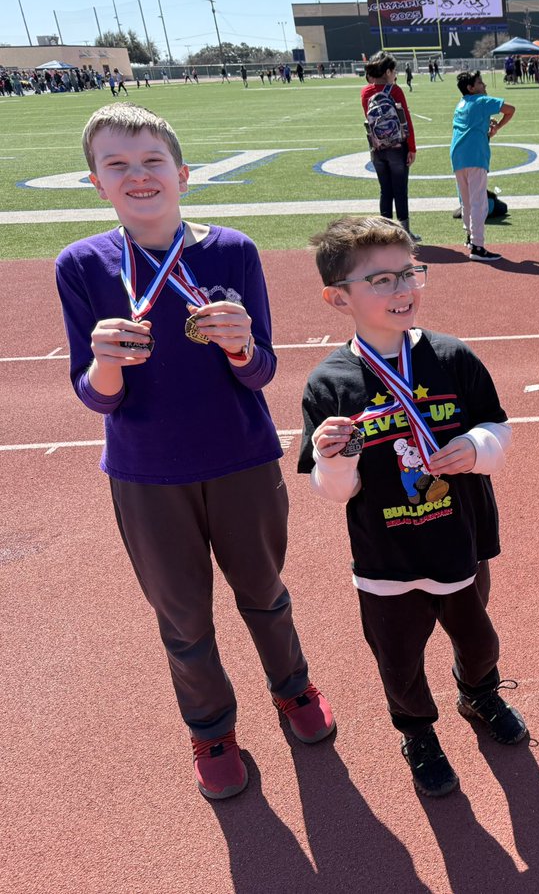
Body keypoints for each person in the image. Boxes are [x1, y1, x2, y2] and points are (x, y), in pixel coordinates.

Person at [54, 103, 335, 800]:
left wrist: (241, 346)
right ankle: (211, 729)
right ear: (95, 183)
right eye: (117, 164)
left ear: (182, 175)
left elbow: (262, 371)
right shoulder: (81, 265)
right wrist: (107, 364)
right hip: (146, 474)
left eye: (153, 161)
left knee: (264, 593)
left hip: (242, 459)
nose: (138, 175)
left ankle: (293, 688)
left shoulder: (233, 250)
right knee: (182, 618)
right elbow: (95, 398)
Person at [300, 216, 526, 798]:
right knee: (398, 661)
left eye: (409, 273)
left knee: (479, 642)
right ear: (339, 298)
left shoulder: (453, 358)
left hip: (459, 542)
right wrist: (333, 459)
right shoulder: (329, 383)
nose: (402, 289)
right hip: (386, 559)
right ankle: (417, 731)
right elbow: (333, 491)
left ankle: (479, 693)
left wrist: (477, 448)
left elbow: (498, 427)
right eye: (380, 280)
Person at [451, 70, 515, 261]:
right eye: (480, 83)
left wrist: (487, 125)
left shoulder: (461, 103)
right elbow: (510, 109)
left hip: (458, 155)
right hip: (475, 156)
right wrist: (498, 127)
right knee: (479, 203)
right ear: (471, 88)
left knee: (466, 201)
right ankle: (478, 246)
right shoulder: (482, 101)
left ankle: (470, 237)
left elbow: (471, 125)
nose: (484, 85)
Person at [361, 51, 420, 242]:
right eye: (394, 71)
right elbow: (406, 121)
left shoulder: (365, 92)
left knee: (385, 190)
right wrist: (412, 148)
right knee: (400, 190)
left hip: (377, 148)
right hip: (397, 147)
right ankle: (405, 233)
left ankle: (384, 234)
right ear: (387, 71)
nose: (395, 74)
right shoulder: (395, 91)